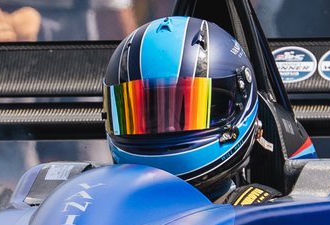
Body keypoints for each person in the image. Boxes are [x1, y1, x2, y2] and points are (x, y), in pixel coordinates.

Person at [103, 15, 265, 201]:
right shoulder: (97, 204)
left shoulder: (262, 217)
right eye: (150, 114)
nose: (167, 128)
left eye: (185, 111)